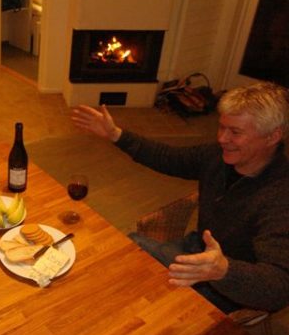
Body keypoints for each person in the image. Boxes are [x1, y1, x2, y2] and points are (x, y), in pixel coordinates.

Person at [71, 81, 289, 314]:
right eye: (221, 127)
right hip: (196, 250)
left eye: (235, 132)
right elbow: (168, 157)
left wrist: (223, 270)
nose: (222, 139)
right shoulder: (217, 156)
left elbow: (279, 287)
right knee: (130, 247)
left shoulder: (280, 196)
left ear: (272, 136)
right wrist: (116, 135)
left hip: (229, 287)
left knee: (147, 307)